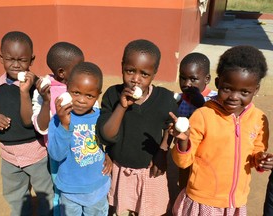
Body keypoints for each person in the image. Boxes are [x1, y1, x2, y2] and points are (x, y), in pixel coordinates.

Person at [168, 45, 273, 215]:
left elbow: (256, 152)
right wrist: (183, 141)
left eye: (244, 92)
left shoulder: (258, 119)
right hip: (203, 201)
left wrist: (261, 159)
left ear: (256, 90)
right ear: (218, 83)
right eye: (227, 88)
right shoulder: (203, 115)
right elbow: (183, 162)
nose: (234, 97)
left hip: (236, 203)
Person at [96, 39, 179, 216]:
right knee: (116, 209)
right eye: (130, 71)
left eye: (144, 74)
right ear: (122, 67)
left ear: (154, 73)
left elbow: (170, 127)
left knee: (148, 210)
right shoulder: (112, 95)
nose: (136, 79)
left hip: (149, 172)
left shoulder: (165, 99)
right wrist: (122, 106)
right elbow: (106, 136)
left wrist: (162, 152)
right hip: (118, 169)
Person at [0, 31, 54, 215]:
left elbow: (30, 122)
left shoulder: (37, 86)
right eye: (10, 59)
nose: (16, 64)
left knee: (45, 193)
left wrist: (25, 92)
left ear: (31, 60)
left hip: (35, 153)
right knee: (15, 195)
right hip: (8, 156)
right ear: (1, 57)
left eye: (22, 60)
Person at [47, 61, 111, 216]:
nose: (82, 100)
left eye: (89, 95)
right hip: (70, 191)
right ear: (67, 88)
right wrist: (64, 125)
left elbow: (111, 138)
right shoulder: (58, 119)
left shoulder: (102, 117)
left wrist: (110, 154)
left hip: (97, 187)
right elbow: (56, 155)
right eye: (76, 93)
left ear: (98, 95)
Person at [31, 41, 85, 216]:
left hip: (81, 149)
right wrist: (46, 101)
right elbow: (41, 127)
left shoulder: (82, 85)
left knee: (81, 187)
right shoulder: (44, 90)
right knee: (60, 189)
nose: (82, 71)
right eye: (78, 68)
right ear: (62, 72)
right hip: (58, 154)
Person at [173, 52, 217, 193]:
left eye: (193, 79)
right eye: (183, 78)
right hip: (184, 151)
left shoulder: (215, 100)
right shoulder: (179, 100)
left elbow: (217, 122)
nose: (187, 84)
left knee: (203, 184)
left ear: (207, 79)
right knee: (184, 184)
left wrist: (201, 104)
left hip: (207, 154)